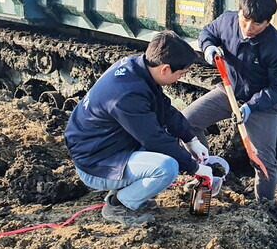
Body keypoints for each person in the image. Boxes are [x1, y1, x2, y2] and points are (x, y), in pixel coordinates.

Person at [64, 31, 213, 227]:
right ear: (165, 69)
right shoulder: (127, 95)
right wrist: (195, 168)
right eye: (181, 73)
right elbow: (154, 139)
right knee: (166, 168)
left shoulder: (137, 68)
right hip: (95, 162)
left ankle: (128, 195)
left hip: (107, 147)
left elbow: (164, 109)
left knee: (168, 150)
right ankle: (118, 205)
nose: (179, 78)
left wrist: (190, 139)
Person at [182, 0, 277, 201]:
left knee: (263, 162)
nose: (249, 27)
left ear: (268, 22)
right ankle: (205, 174)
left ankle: (265, 208)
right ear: (239, 12)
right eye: (245, 19)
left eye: (257, 24)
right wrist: (208, 48)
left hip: (261, 105)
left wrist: (252, 106)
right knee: (186, 122)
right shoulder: (227, 21)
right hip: (228, 92)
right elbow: (208, 32)